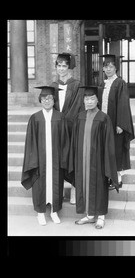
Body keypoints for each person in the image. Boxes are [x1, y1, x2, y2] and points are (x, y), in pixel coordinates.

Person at [68, 86, 119, 229]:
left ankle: (101, 216)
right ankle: (90, 215)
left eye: (92, 99)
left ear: (97, 100)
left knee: (99, 186)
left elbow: (109, 143)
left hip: (98, 160)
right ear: (83, 101)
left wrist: (106, 161)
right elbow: (74, 140)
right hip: (82, 160)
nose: (89, 101)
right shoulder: (79, 116)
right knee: (84, 185)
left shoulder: (103, 118)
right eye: (86, 99)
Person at [21, 86, 70, 226]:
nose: (46, 101)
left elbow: (65, 140)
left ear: (54, 100)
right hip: (40, 160)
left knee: (56, 183)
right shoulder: (35, 118)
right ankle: (40, 213)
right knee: (39, 184)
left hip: (55, 159)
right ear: (40, 100)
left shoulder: (60, 117)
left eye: (49, 98)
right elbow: (30, 142)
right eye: (44, 99)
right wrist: (33, 159)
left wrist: (64, 157)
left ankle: (54, 211)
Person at [50, 52, 84, 204]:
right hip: (56, 128)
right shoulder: (53, 86)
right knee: (58, 158)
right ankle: (59, 191)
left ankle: (74, 191)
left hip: (71, 128)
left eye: (64, 66)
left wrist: (65, 121)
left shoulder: (76, 84)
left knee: (72, 158)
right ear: (56, 67)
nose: (62, 69)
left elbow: (77, 105)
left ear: (69, 67)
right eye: (59, 66)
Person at [98, 54, 135, 188]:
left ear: (116, 68)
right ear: (103, 69)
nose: (108, 69)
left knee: (117, 150)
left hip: (115, 124)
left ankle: (118, 179)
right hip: (104, 123)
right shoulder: (103, 83)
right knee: (107, 149)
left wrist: (120, 123)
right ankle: (108, 176)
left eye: (111, 67)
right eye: (106, 67)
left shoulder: (120, 83)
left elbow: (123, 104)